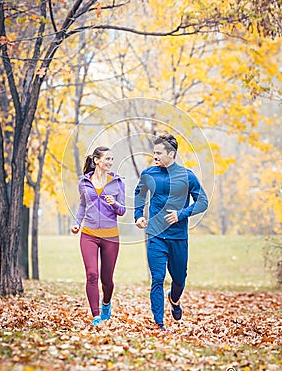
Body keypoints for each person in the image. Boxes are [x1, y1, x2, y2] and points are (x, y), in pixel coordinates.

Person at [134, 134, 208, 330]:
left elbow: (202, 201)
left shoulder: (187, 176)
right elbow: (139, 194)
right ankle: (159, 323)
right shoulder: (149, 174)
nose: (155, 155)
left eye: (159, 153)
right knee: (157, 278)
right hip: (156, 236)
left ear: (171, 154)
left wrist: (181, 214)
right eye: (154, 152)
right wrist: (138, 215)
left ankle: (174, 300)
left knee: (179, 279)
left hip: (178, 237)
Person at [71, 146, 126, 326]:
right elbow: (81, 205)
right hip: (89, 234)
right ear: (96, 160)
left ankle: (106, 304)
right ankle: (96, 316)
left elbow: (123, 211)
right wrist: (77, 223)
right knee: (92, 274)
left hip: (110, 236)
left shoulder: (117, 183)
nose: (110, 162)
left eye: (112, 159)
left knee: (107, 279)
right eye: (107, 159)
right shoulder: (84, 182)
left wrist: (115, 203)